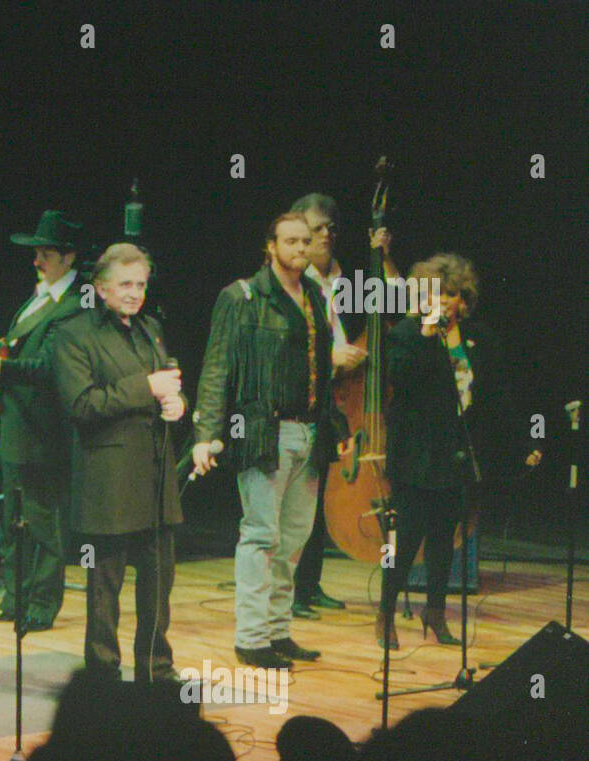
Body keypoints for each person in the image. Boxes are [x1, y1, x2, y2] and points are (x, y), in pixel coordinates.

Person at [191, 212, 346, 669]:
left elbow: (322, 369)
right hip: (265, 429)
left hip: (309, 428)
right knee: (261, 533)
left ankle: (278, 630)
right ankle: (252, 636)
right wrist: (207, 434)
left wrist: (335, 427)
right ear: (271, 246)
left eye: (307, 241)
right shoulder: (243, 297)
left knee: (295, 536)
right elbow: (217, 367)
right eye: (292, 241)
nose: (301, 248)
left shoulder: (315, 295)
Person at [376, 254, 542, 648]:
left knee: (443, 538)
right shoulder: (405, 334)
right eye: (436, 293)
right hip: (416, 452)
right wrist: (427, 333)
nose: (445, 301)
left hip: (456, 453)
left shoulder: (478, 338)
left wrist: (524, 443)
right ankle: (386, 611)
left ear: (463, 299)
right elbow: (401, 380)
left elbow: (497, 398)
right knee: (409, 537)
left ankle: (435, 611)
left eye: (451, 294)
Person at [52, 243, 185, 682]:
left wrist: (176, 402)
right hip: (109, 481)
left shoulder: (151, 328)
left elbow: (166, 382)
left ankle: (155, 666)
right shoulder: (75, 333)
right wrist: (145, 387)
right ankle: (103, 672)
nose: (134, 293)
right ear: (101, 288)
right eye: (125, 284)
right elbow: (81, 405)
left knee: (158, 583)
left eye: (141, 284)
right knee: (104, 586)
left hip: (155, 475)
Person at [0, 210, 86, 631]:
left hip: (45, 430)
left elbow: (50, 367)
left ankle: (42, 602)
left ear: (68, 258)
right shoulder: (39, 298)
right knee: (14, 516)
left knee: (45, 520)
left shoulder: (73, 306)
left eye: (45, 254)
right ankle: (15, 596)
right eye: (35, 253)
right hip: (17, 424)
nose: (37, 261)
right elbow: (19, 353)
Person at [289, 193, 400, 618]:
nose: (327, 238)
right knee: (300, 501)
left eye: (332, 229)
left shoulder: (345, 278)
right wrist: (329, 357)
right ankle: (293, 595)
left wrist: (384, 258)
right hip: (306, 394)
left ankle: (310, 586)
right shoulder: (292, 282)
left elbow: (397, 303)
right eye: (319, 230)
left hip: (342, 401)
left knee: (319, 500)